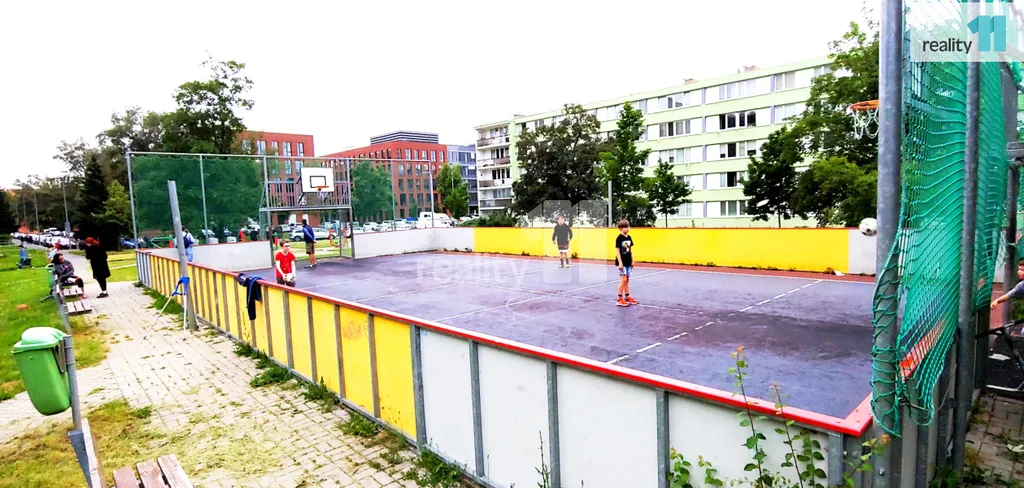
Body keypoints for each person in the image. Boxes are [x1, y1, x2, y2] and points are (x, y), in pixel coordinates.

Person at [614, 219, 639, 307]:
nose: (627, 229)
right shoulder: (619, 238)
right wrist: (620, 263)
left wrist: (632, 260)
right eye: (625, 227)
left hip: (628, 262)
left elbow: (629, 250)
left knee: (627, 280)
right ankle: (620, 298)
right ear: (620, 228)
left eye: (628, 227)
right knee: (623, 279)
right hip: (622, 262)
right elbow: (617, 251)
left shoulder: (629, 237)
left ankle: (627, 297)